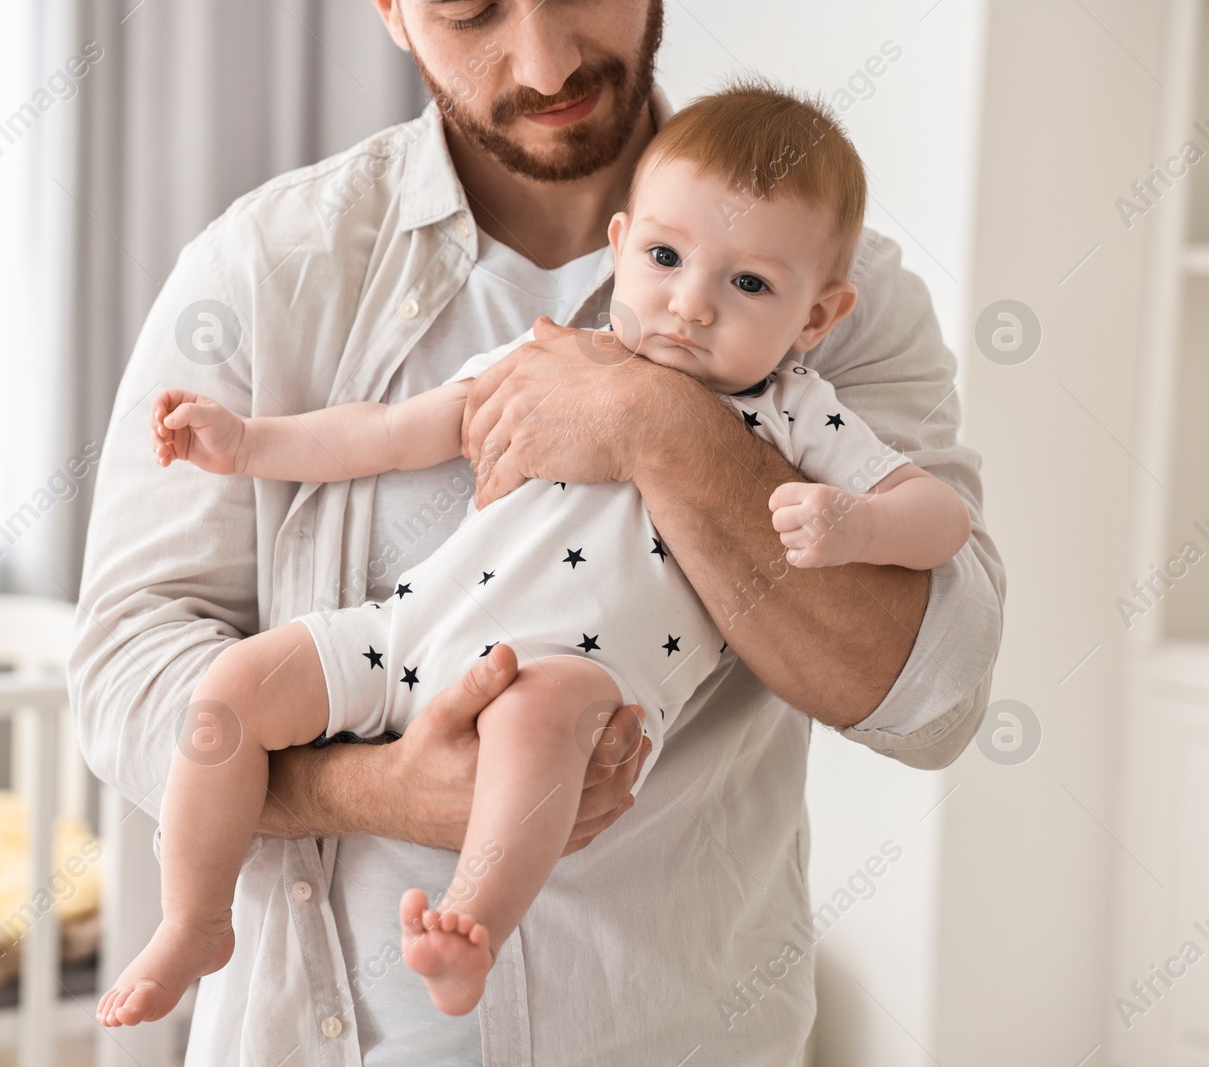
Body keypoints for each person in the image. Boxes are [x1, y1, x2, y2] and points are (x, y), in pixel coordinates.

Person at [71, 1, 1005, 1061]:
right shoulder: (270, 260)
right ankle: (193, 925)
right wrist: (381, 789)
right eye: (471, 7)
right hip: (321, 1004)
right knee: (235, 688)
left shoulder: (836, 295)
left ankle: (473, 913)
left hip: (672, 1029)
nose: (544, 59)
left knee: (540, 712)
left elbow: (934, 693)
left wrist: (656, 423)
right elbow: (124, 672)